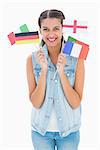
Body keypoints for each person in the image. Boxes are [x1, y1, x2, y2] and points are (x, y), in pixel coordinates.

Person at [26, 9, 85, 150]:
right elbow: (36, 102)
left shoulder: (77, 59)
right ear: (40, 31)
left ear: (63, 29)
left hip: (69, 132)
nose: (51, 34)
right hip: (41, 132)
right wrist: (44, 70)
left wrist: (62, 73)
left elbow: (76, 102)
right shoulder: (32, 60)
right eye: (45, 29)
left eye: (56, 28)